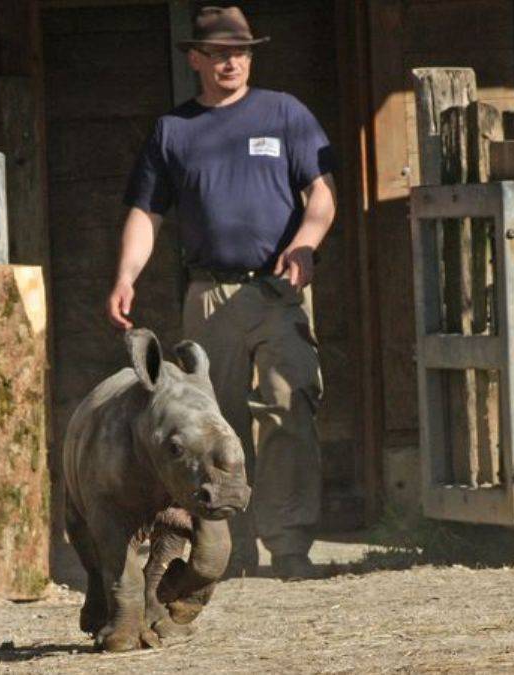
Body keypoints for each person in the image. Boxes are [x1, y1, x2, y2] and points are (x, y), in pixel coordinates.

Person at [107, 6, 337, 580]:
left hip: (278, 289)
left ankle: (289, 546)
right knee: (210, 425)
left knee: (288, 408)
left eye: (241, 52)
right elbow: (146, 213)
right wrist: (127, 274)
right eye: (218, 53)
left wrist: (306, 243)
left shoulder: (285, 113)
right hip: (207, 295)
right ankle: (223, 552)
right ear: (195, 59)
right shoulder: (174, 130)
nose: (231, 61)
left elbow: (322, 192)